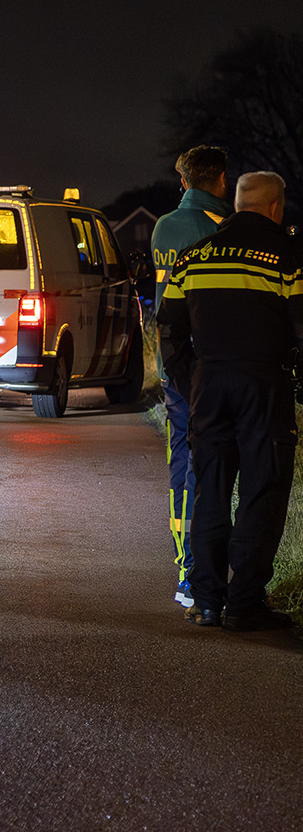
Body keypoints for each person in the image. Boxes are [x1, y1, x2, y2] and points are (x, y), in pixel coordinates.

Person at [156, 170, 303, 631]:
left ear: (237, 204)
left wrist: (191, 382)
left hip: (209, 385)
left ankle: (206, 602)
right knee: (263, 489)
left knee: (210, 490)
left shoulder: (193, 257)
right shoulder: (288, 259)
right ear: (275, 207)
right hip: (264, 385)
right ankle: (245, 602)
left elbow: (168, 328)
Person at [151, 145, 231, 616]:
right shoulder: (220, 229)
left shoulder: (163, 227)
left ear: (183, 181)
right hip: (211, 367)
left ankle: (185, 567)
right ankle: (204, 572)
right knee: (212, 466)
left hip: (172, 368)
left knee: (181, 463)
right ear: (220, 180)